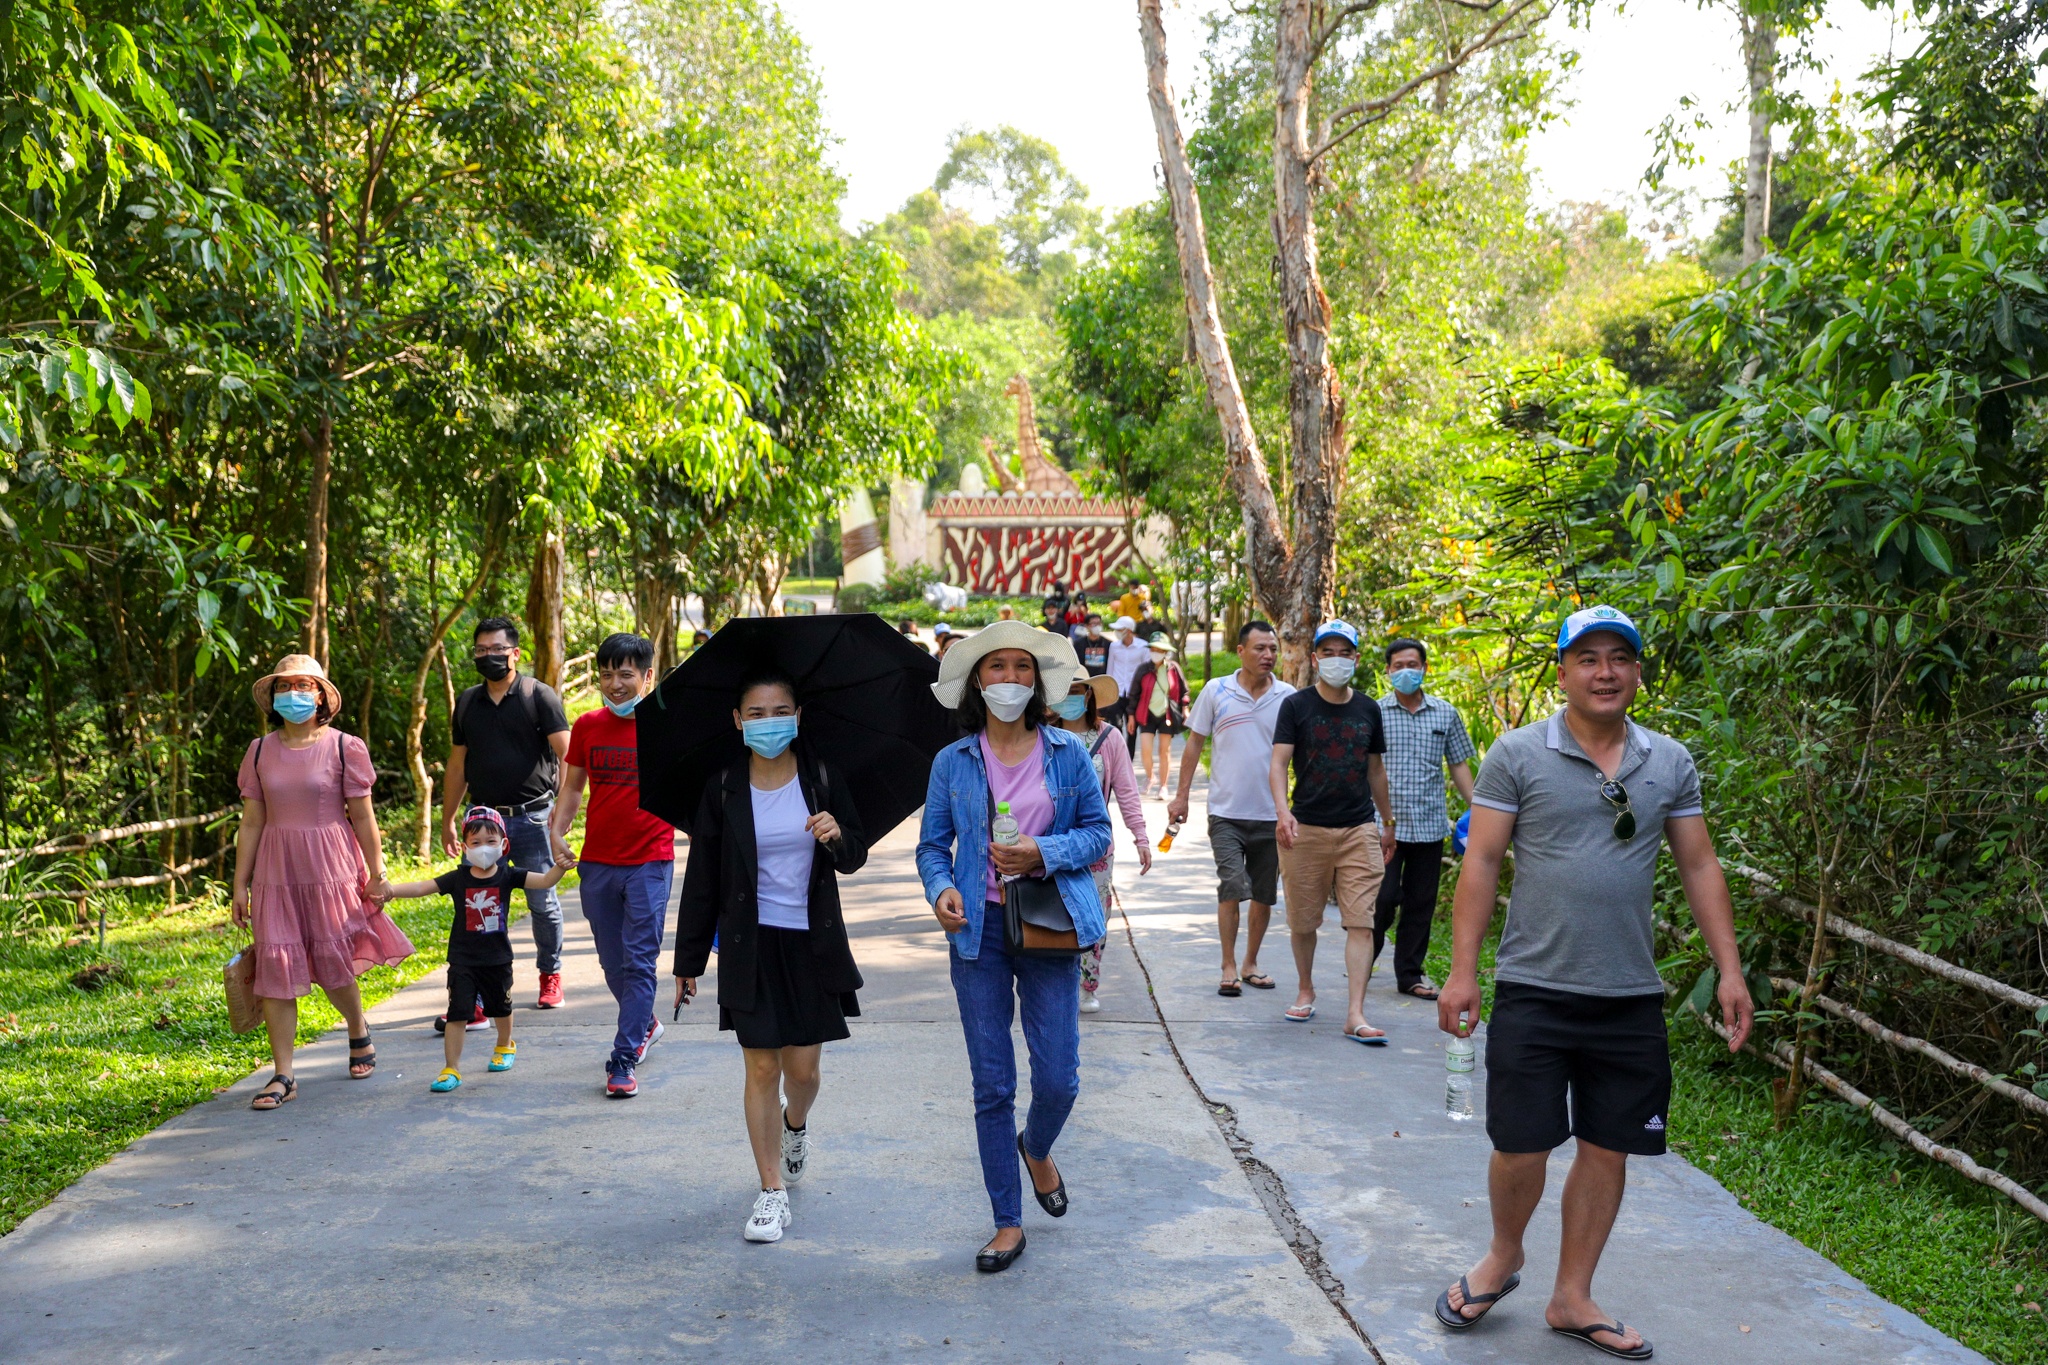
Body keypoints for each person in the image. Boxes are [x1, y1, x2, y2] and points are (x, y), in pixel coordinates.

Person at [1434, 606, 1752, 1359]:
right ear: (1563, 672)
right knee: (1521, 1144)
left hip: (1629, 995)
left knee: (1608, 1147)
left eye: (1619, 658)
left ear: (1638, 672)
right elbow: (1482, 862)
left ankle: (1572, 1295)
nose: (1605, 672)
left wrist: (1730, 969)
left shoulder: (1668, 760)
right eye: (1588, 658)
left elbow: (1699, 863)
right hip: (1534, 987)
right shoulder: (1516, 754)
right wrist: (1462, 972)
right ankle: (1503, 1254)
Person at [915, 621, 1111, 1274]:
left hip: (1051, 926)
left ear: (1038, 680)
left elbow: (1097, 833)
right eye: (996, 666)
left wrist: (1041, 851)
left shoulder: (1067, 752)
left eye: (1021, 666)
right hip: (977, 935)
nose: (1009, 677)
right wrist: (941, 888)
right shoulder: (952, 762)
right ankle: (1006, 1221)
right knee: (992, 1084)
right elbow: (931, 846)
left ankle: (1038, 1146)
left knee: (1059, 1078)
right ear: (978, 680)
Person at [673, 668, 869, 1245]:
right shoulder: (723, 787)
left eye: (780, 711)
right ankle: (770, 1191)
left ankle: (795, 1123)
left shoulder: (822, 778)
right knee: (761, 1067)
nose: (768, 722)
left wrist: (836, 834)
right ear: (738, 721)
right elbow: (702, 879)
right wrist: (688, 961)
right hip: (749, 946)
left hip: (811, 943)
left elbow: (854, 855)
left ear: (798, 716)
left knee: (802, 1072)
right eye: (755, 714)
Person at [231, 656, 415, 1110]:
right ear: (273, 697)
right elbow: (251, 822)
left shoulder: (344, 747)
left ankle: (356, 1025)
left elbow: (364, 816)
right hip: (276, 870)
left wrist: (377, 872)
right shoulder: (259, 751)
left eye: (302, 685)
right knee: (275, 965)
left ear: (320, 696)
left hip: (330, 865)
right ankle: (283, 1074)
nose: (292, 693)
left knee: (332, 960)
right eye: (284, 686)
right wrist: (240, 884)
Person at [549, 633, 676, 1097]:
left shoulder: (666, 724)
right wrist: (557, 831)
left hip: (650, 860)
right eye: (606, 675)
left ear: (647, 677)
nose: (615, 684)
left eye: (625, 674)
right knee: (611, 960)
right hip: (598, 861)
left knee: (640, 960)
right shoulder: (588, 725)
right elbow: (573, 787)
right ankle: (645, 1023)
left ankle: (623, 1058)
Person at [382, 807, 576, 1093]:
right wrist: (391, 891)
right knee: (457, 1013)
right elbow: (423, 887)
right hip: (462, 960)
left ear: (503, 844)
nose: (483, 847)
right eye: (475, 842)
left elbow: (545, 881)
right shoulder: (457, 878)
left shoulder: (509, 875)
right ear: (465, 847)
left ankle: (504, 1045)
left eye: (490, 841)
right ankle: (451, 1068)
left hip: (497, 959)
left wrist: (560, 865)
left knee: (501, 1008)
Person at [1268, 619, 1397, 1041]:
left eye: (1345, 653)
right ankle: (1306, 989)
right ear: (1314, 658)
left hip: (1358, 828)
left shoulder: (1369, 709)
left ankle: (1355, 1013)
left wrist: (1387, 822)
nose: (1336, 660)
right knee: (1303, 921)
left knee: (1362, 922)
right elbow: (1278, 763)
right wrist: (1283, 812)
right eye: (1329, 653)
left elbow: (1375, 770)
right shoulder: (1296, 706)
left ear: (1356, 659)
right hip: (1306, 828)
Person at [441, 616, 572, 1016]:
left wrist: (562, 813)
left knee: (542, 902)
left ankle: (550, 974)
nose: (489, 656)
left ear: (514, 653)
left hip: (533, 818)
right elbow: (458, 765)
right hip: (482, 825)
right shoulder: (467, 702)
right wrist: (448, 819)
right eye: (481, 650)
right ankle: (478, 994)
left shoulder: (538, 695)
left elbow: (568, 755)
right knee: (478, 905)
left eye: (497, 649)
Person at [1170, 621, 1293, 996]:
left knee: (1263, 894)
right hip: (1225, 812)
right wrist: (1181, 796)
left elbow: (1302, 753)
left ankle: (1250, 962)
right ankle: (1228, 964)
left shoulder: (1288, 697)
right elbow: (1194, 744)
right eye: (1259, 648)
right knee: (1232, 885)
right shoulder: (1216, 690)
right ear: (1240, 651)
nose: (1268, 655)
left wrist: (1294, 810)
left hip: (1271, 815)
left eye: (1272, 649)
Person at [1371, 637, 1477, 1001]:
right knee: (1382, 898)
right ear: (1388, 671)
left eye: (1412, 665)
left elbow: (1458, 764)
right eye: (1398, 666)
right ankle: (1364, 959)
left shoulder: (1445, 713)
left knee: (1420, 903)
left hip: (1429, 825)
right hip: (1383, 826)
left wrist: (1478, 808)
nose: (1406, 672)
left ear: (1425, 668)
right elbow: (1365, 767)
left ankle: (1410, 975)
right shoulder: (1375, 713)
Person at [1048, 672, 1150, 1013]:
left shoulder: (1109, 738)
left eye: (1076, 690)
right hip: (1050, 846)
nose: (1070, 697)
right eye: (1063, 690)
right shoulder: (1042, 735)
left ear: (1089, 694)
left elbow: (1127, 791)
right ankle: (1056, 984)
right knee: (1053, 916)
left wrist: (1140, 836)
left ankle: (1087, 985)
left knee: (1093, 919)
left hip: (1096, 850)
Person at [1130, 638, 1188, 798]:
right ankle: (1150, 777)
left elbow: (1184, 691)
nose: (1155, 653)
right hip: (1146, 713)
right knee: (1145, 749)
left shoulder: (1173, 668)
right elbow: (1134, 694)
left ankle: (1164, 786)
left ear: (1165, 652)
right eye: (1153, 649)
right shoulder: (1143, 669)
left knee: (1165, 750)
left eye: (1159, 650)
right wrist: (1131, 716)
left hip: (1166, 714)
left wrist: (1185, 708)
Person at [1105, 615, 1150, 753]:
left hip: (1134, 694)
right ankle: (1118, 754)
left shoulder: (1143, 646)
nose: (1117, 632)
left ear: (1129, 630)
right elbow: (1110, 669)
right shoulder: (1114, 646)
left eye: (1120, 629)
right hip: (1117, 692)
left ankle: (1129, 758)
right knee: (1115, 726)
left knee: (1132, 729)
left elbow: (1146, 672)